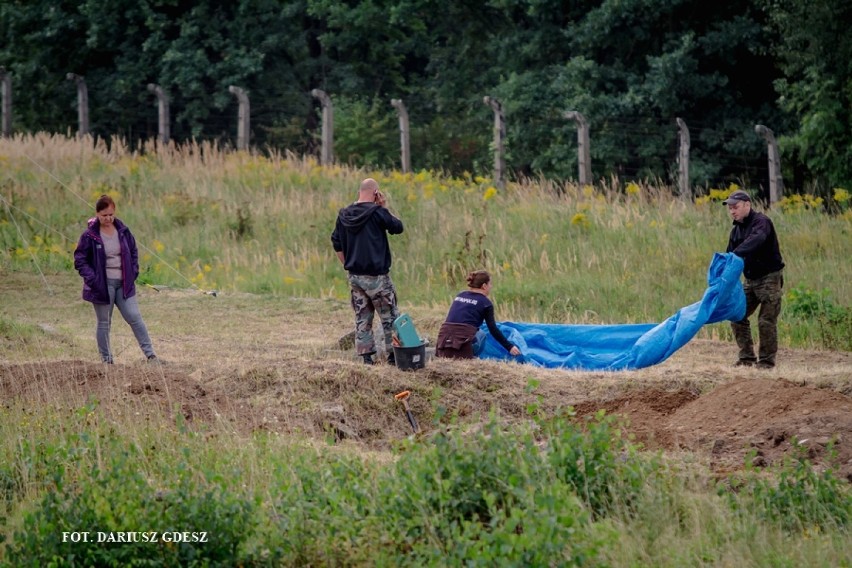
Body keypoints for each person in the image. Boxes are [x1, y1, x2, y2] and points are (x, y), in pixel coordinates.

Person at [73, 195, 160, 364]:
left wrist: (133, 271)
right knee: (104, 322)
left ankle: (151, 356)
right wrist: (93, 279)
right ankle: (107, 360)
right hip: (102, 286)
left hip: (124, 283)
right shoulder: (89, 235)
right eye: (104, 215)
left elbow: (133, 252)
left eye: (111, 214)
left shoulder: (123, 231)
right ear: (97, 214)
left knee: (135, 317)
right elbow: (80, 260)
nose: (108, 218)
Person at [331, 178, 404, 365]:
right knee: (389, 316)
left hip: (355, 276)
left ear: (359, 192)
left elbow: (336, 242)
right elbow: (398, 227)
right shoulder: (378, 212)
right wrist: (384, 206)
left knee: (362, 316)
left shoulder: (344, 214)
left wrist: (347, 264)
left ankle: (366, 357)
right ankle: (392, 355)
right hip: (377, 276)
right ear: (375, 193)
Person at [723, 190, 785, 368]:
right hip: (749, 281)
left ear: (747, 205)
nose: (732, 211)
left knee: (766, 320)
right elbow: (729, 257)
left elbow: (756, 240)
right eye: (730, 208)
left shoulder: (761, 222)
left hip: (769, 279)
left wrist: (735, 255)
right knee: (736, 316)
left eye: (735, 207)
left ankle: (766, 362)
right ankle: (746, 358)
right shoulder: (736, 231)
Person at [436, 270, 522, 360]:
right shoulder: (486, 303)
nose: (491, 286)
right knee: (481, 334)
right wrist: (510, 347)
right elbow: (493, 330)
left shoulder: (460, 295)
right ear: (484, 286)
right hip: (463, 343)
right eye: (490, 284)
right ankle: (472, 357)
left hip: (443, 340)